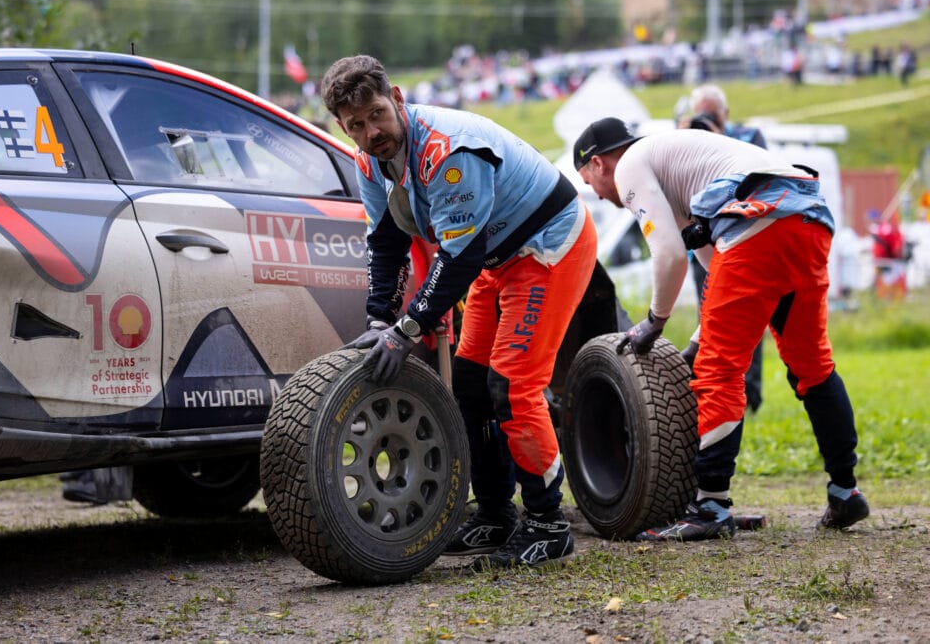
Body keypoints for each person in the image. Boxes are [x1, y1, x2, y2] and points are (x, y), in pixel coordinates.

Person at [321, 55, 597, 568]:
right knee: (469, 384)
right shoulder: (367, 159)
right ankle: (496, 514)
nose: (371, 131)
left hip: (546, 245)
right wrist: (379, 320)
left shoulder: (448, 151)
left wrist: (406, 331)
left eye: (378, 114)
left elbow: (458, 259)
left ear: (398, 97)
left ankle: (548, 523)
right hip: (495, 257)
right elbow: (385, 241)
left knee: (512, 386)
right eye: (356, 125)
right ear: (342, 125)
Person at [573, 116, 868, 541]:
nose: (600, 196)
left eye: (590, 183)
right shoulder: (678, 162)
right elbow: (719, 269)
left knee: (717, 372)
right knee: (813, 366)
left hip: (758, 219)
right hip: (807, 218)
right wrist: (697, 338)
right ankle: (845, 490)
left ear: (598, 163)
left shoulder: (631, 165)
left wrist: (655, 322)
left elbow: (670, 255)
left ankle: (711, 506)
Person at [678, 83, 765, 412]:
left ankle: (750, 394)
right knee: (712, 319)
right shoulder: (686, 140)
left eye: (711, 115)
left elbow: (758, 180)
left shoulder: (749, 136)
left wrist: (718, 138)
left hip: (744, 244)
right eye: (701, 114)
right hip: (702, 248)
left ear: (726, 115)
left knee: (749, 320)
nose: (706, 121)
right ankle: (716, 390)